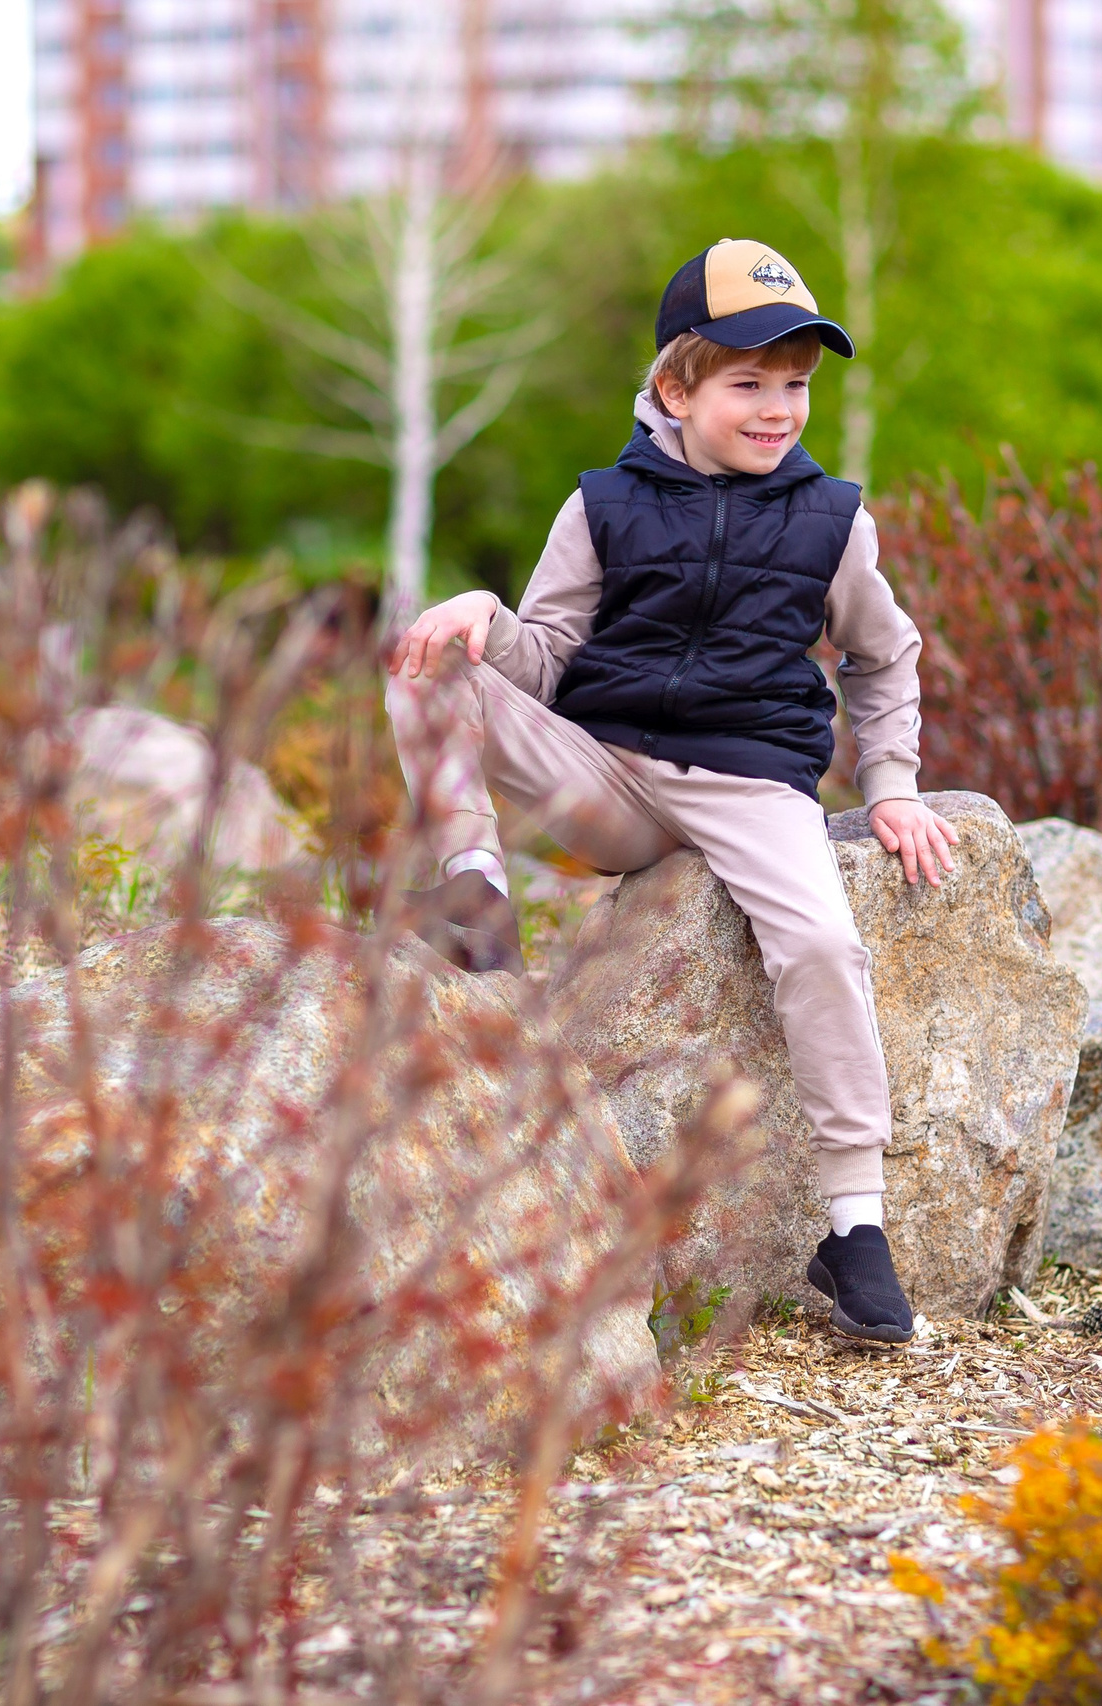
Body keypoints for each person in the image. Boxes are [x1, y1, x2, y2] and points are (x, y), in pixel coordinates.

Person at [384, 238, 952, 1346]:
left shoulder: (832, 520)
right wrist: (482, 617)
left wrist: (892, 784)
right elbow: (547, 661)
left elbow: (885, 654)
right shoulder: (600, 506)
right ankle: (472, 886)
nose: (778, 408)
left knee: (824, 949)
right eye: (749, 382)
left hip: (753, 789)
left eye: (795, 384)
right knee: (417, 659)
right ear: (676, 389)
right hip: (607, 774)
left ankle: (855, 1228)